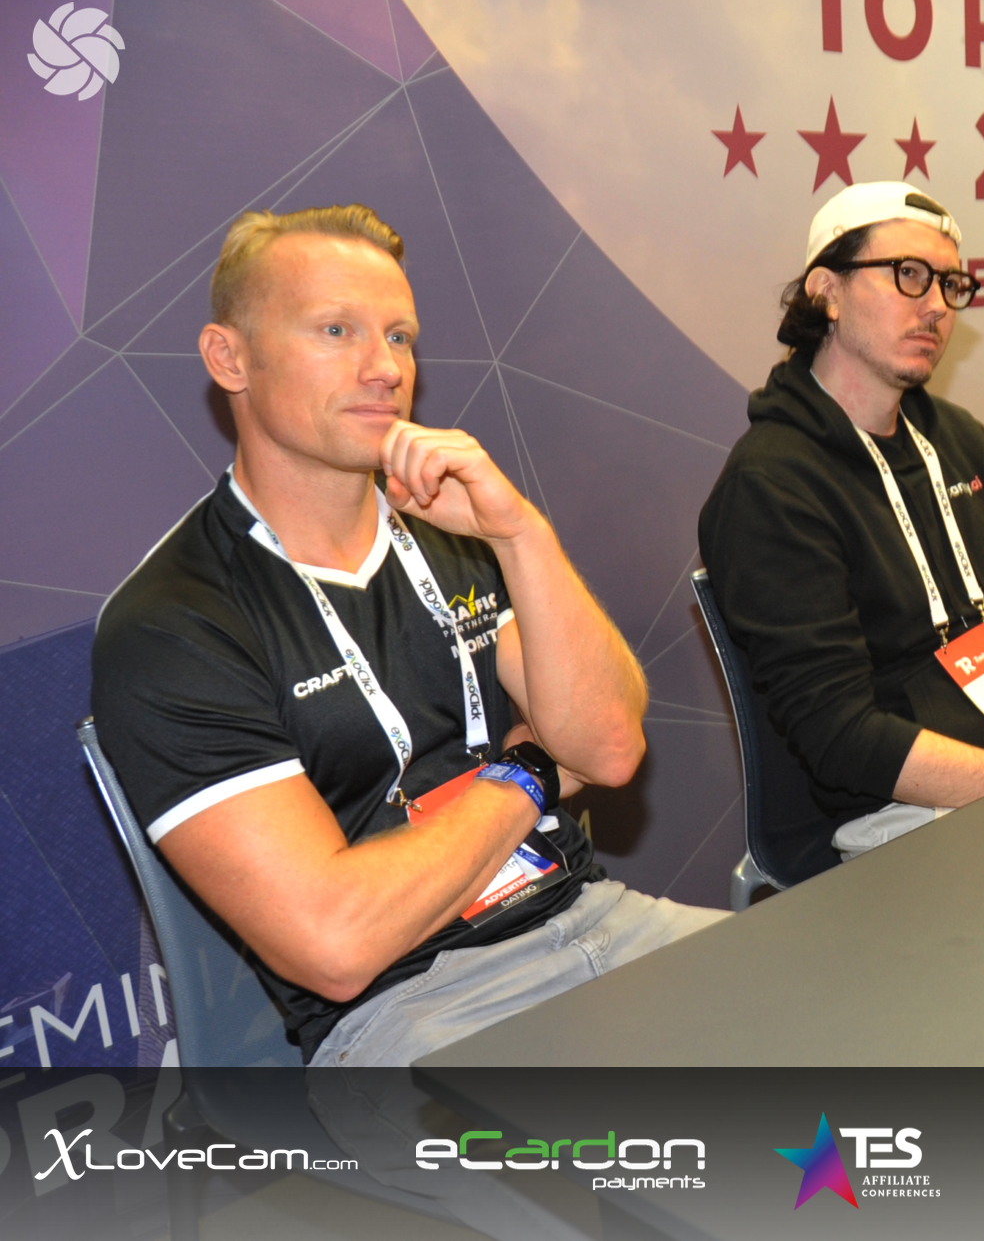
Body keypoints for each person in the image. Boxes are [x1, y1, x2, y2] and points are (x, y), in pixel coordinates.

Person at [91, 204, 724, 1071]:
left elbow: (608, 748)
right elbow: (337, 943)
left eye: (399, 336)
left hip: (599, 919)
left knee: (871, 1045)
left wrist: (521, 535)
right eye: (337, 330)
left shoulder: (451, 533)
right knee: (705, 1150)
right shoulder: (175, 620)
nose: (384, 367)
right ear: (229, 358)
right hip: (412, 1012)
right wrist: (529, 771)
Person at [698, 182, 984, 877]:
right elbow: (840, 734)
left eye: (950, 284)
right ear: (827, 292)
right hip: (904, 814)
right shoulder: (771, 485)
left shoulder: (963, 441)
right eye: (908, 275)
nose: (936, 305)